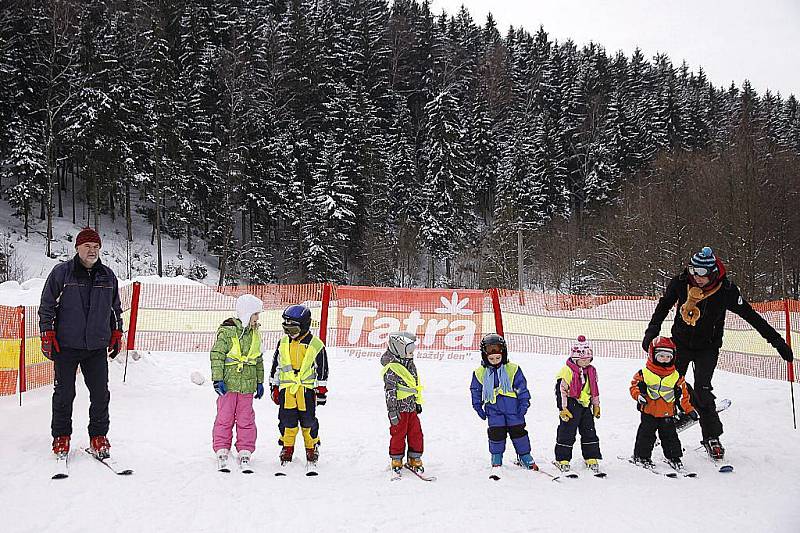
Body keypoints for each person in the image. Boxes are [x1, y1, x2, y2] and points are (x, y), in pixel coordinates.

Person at [642, 246, 793, 460]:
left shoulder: (726, 291)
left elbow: (752, 317)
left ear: (712, 273)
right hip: (681, 344)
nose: (696, 277)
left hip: (708, 347)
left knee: (703, 390)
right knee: (671, 384)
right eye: (693, 271)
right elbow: (663, 307)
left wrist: (777, 342)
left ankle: (712, 437)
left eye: (702, 273)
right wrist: (651, 333)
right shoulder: (681, 282)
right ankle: (675, 416)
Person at [39, 227, 123, 459]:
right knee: (64, 393)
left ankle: (98, 435)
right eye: (87, 246)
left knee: (100, 394)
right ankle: (61, 436)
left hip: (96, 347)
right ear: (77, 248)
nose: (92, 251)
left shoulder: (107, 276)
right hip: (66, 346)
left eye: (96, 247)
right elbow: (47, 306)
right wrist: (47, 334)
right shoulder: (62, 274)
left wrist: (117, 333)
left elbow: (115, 309)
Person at [210, 294, 265, 470]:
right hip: (228, 384)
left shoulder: (255, 334)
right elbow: (217, 356)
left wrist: (259, 381)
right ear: (247, 314)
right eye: (255, 314)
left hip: (247, 385)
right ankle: (221, 447)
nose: (257, 318)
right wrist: (217, 378)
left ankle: (245, 449)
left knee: (246, 419)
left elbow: (258, 359)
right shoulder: (227, 331)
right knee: (224, 417)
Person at [269, 304, 329, 464]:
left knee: (308, 421)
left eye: (292, 329)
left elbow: (323, 369)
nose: (289, 333)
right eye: (286, 329)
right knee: (287, 420)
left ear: (303, 326)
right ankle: (287, 447)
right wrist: (274, 386)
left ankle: (312, 446)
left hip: (306, 390)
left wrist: (321, 390)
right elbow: (276, 366)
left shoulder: (315, 344)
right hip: (287, 390)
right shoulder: (283, 343)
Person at [470, 333, 537, 470]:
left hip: (514, 409)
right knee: (496, 434)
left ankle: (525, 456)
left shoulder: (512, 369)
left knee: (519, 433)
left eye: (498, 357)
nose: (495, 360)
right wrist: (478, 406)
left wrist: (524, 404)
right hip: (494, 410)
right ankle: (496, 457)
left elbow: (521, 388)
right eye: (491, 358)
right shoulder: (480, 372)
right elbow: (475, 390)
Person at [630, 336, 697, 470]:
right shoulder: (644, 373)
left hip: (667, 412)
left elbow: (684, 395)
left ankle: (674, 457)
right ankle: (641, 456)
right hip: (649, 411)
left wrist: (689, 410)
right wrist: (638, 396)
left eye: (668, 356)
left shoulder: (676, 376)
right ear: (652, 355)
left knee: (670, 436)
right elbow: (634, 386)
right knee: (646, 435)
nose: (665, 359)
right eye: (661, 356)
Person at [553, 335, 602, 474]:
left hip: (585, 406)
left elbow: (594, 389)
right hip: (571, 405)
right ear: (575, 358)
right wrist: (563, 408)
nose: (586, 362)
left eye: (588, 359)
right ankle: (562, 458)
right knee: (567, 432)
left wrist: (596, 405)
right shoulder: (567, 371)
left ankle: (591, 456)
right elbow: (560, 391)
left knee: (589, 431)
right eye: (583, 359)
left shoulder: (591, 371)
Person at [381, 332, 424, 473]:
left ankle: (414, 457)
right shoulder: (391, 369)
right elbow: (390, 391)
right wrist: (392, 411)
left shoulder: (410, 364)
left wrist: (417, 402)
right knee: (398, 434)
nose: (412, 353)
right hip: (399, 409)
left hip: (411, 408)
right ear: (399, 349)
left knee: (416, 433)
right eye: (409, 350)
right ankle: (396, 458)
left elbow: (415, 384)